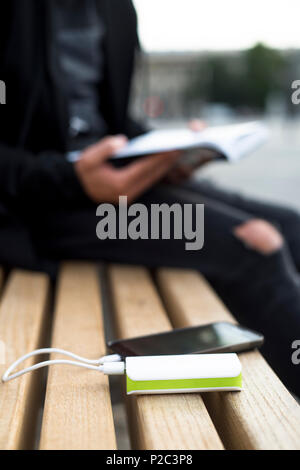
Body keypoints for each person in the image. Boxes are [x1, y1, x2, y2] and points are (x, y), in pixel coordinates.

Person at [0, 0, 299, 396]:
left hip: (115, 187)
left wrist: (170, 152)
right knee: (256, 242)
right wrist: (71, 178)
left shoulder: (115, 9)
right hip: (40, 205)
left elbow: (113, 124)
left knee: (292, 226)